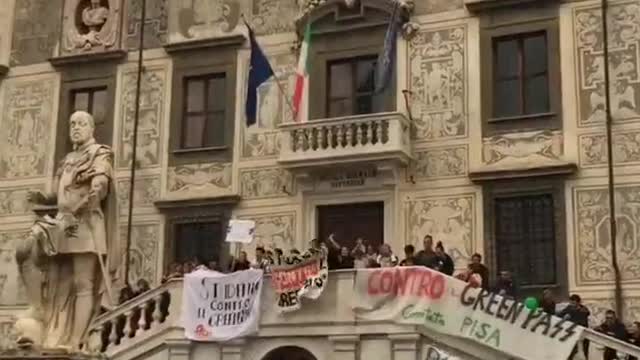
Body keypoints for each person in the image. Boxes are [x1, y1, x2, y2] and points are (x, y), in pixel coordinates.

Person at [17, 110, 118, 350]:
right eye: (72, 123)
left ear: (91, 128)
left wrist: (97, 189)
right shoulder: (69, 158)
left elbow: (102, 181)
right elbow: (58, 192)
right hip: (63, 221)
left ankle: (74, 340)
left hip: (85, 221)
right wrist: (44, 196)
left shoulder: (99, 153)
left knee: (83, 282)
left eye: (81, 123)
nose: (75, 127)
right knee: (25, 249)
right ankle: (38, 308)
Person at [559, 294, 590, 360]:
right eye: (571, 302)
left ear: (578, 302)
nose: (572, 304)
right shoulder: (569, 308)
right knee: (571, 350)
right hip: (572, 333)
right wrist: (564, 317)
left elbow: (582, 321)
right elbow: (560, 315)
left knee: (584, 350)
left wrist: (570, 317)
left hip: (582, 333)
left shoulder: (583, 310)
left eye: (573, 302)